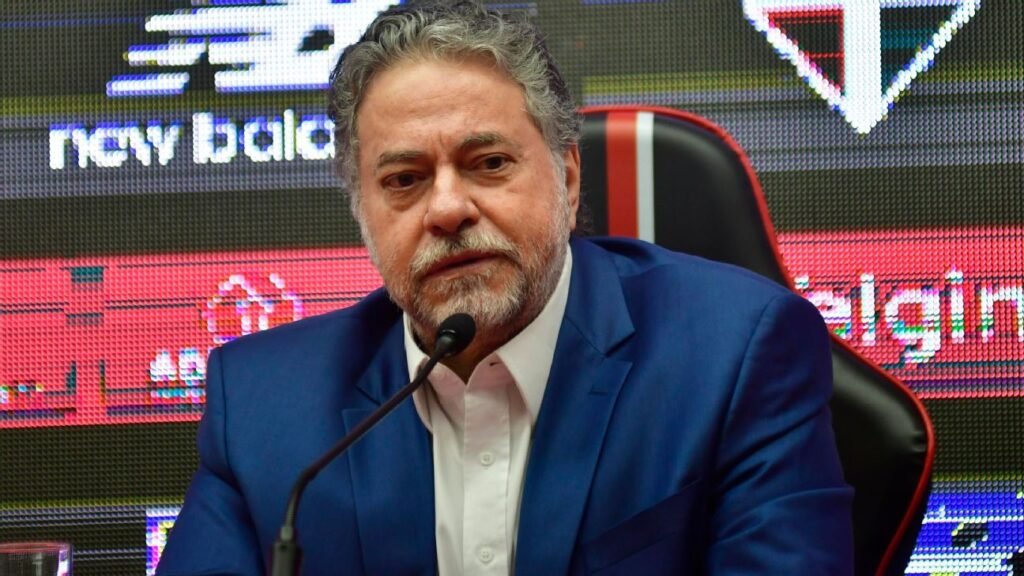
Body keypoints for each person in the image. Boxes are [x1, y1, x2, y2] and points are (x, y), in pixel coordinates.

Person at [157, 1, 854, 574]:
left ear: (568, 180)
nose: (447, 209)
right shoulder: (261, 406)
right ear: (361, 213)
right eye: (404, 180)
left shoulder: (736, 354)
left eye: (488, 163)